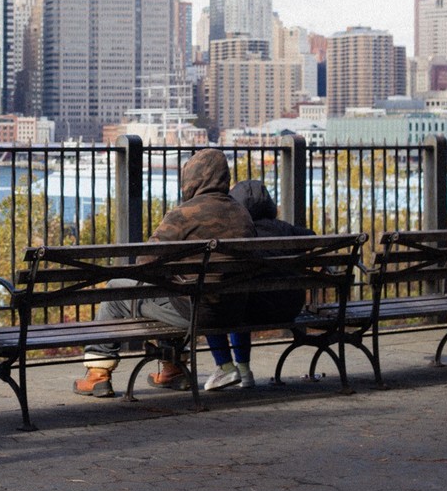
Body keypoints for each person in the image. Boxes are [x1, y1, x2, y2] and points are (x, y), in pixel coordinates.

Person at [73, 148, 255, 397]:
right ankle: (171, 369)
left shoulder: (184, 214)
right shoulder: (242, 214)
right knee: (172, 292)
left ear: (192, 177)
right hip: (235, 312)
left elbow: (145, 263)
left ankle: (98, 373)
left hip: (194, 312)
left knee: (116, 290)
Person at [202, 179, 315, 390]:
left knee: (214, 302)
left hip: (253, 311)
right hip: (290, 309)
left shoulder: (242, 234)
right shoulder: (287, 229)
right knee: (242, 299)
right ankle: (244, 371)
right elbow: (312, 237)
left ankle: (226, 367)